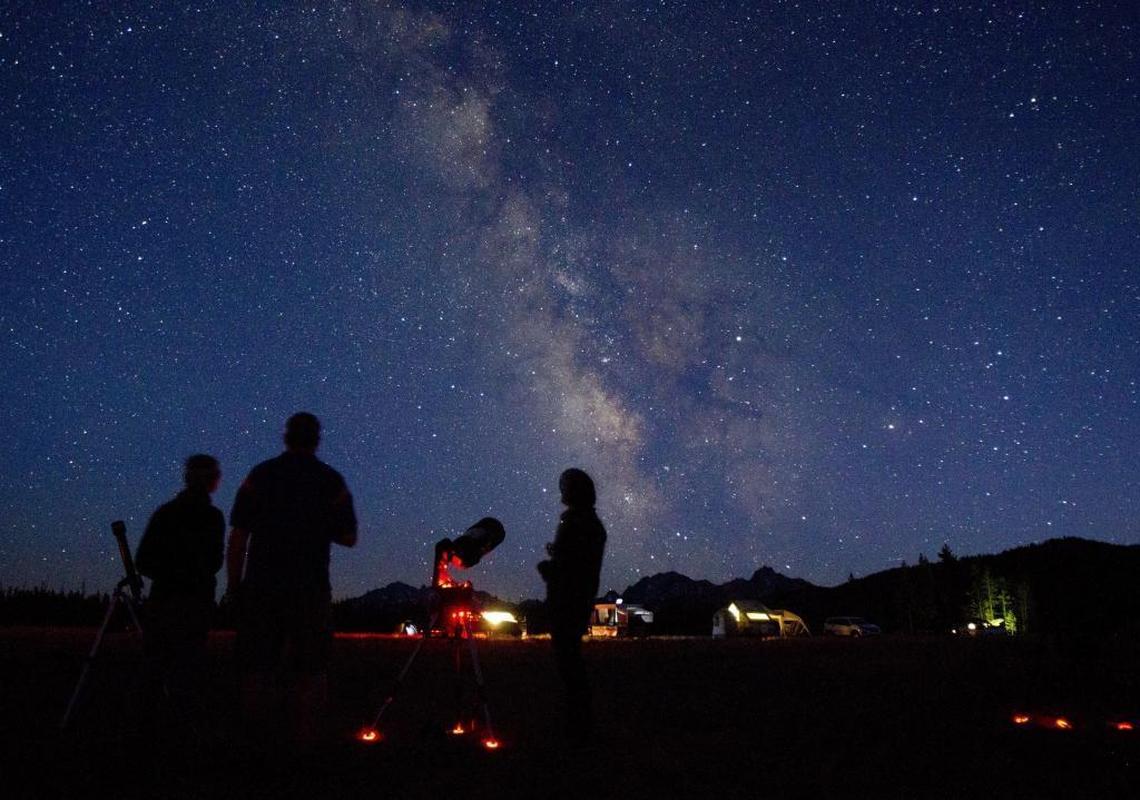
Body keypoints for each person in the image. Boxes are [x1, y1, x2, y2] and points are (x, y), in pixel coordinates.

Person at [226, 412, 357, 751]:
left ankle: (251, 747)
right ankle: (306, 747)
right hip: (310, 588)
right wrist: (314, 524)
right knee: (311, 670)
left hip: (261, 586)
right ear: (316, 439)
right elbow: (349, 536)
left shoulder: (261, 475)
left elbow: (239, 535)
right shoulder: (330, 481)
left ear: (286, 437)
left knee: (256, 667)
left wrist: (233, 585)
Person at [135, 454, 225, 728]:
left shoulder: (165, 513)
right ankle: (182, 735)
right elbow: (214, 562)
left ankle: (144, 730)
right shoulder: (212, 517)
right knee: (188, 672)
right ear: (212, 481)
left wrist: (168, 573)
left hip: (162, 602)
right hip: (195, 606)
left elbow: (143, 561)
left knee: (155, 669)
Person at [537, 468, 607, 742]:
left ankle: (578, 727)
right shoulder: (588, 523)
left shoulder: (578, 523)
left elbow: (573, 569)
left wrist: (549, 568)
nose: (562, 492)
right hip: (575, 602)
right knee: (570, 662)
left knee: (569, 664)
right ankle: (578, 722)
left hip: (568, 603)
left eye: (565, 487)